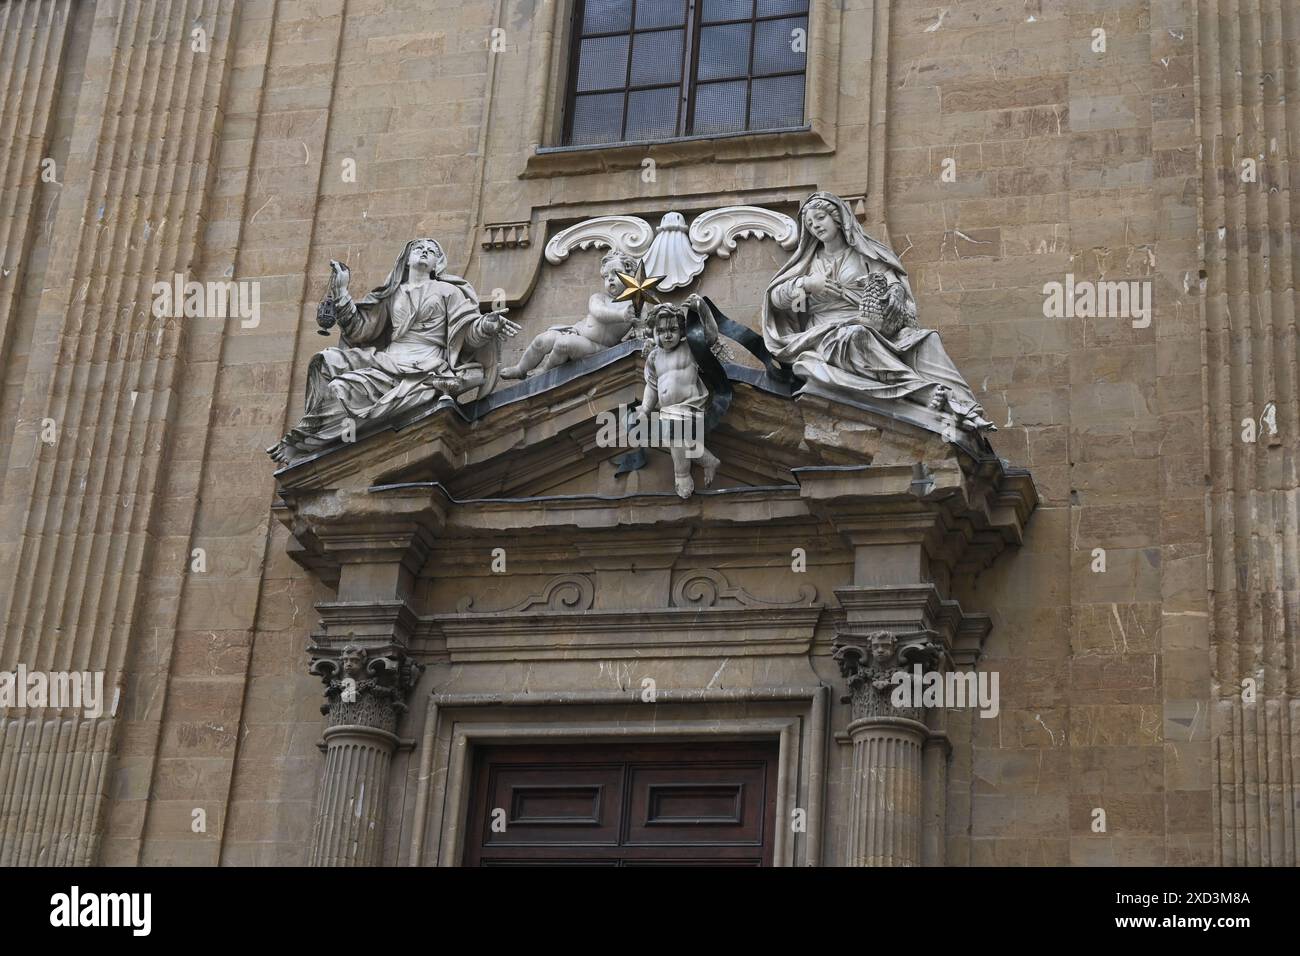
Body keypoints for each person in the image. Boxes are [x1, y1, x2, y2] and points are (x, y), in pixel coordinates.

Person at [268, 237, 519, 465]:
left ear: (436, 264)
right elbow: (360, 331)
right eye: (419, 248)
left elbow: (466, 334)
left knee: (339, 388)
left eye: (431, 251)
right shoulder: (393, 293)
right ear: (407, 258)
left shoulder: (448, 292)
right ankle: (310, 439)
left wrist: (487, 324)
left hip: (425, 363)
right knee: (326, 361)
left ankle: (304, 444)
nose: (424, 251)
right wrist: (342, 293)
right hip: (388, 359)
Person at [762, 191, 994, 432]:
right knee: (854, 336)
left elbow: (892, 281)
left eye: (820, 218)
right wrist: (807, 285)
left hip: (873, 323)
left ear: (837, 218)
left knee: (927, 340)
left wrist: (895, 293)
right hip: (827, 331)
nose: (815, 226)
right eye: (810, 224)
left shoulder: (863, 254)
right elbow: (778, 299)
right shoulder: (809, 263)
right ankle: (923, 392)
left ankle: (967, 407)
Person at [500, 250, 639, 379]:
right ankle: (520, 369)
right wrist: (622, 315)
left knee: (564, 344)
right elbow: (599, 313)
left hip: (597, 347)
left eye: (616, 273)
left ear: (631, 273)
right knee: (542, 340)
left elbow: (643, 330)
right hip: (574, 330)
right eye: (606, 276)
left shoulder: (637, 305)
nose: (610, 279)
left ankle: (546, 369)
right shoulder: (599, 297)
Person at [639, 297, 722, 498]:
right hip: (668, 409)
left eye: (672, 330)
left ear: (682, 331)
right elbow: (652, 385)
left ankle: (683, 474)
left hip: (690, 404)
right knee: (674, 436)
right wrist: (645, 408)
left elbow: (711, 336)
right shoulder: (654, 357)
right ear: (653, 332)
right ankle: (706, 460)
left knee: (674, 434)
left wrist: (702, 309)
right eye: (660, 331)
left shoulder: (690, 347)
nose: (667, 336)